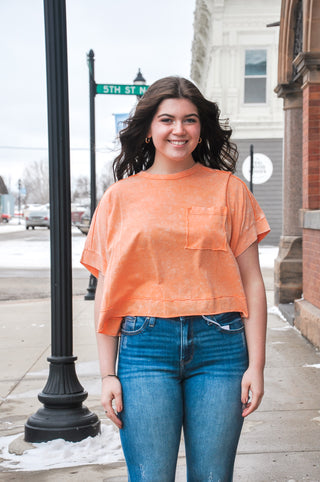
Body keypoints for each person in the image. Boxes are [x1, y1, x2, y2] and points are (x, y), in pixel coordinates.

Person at [81, 76, 270, 482]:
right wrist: (107, 373)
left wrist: (257, 365)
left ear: (201, 129)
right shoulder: (119, 198)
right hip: (144, 350)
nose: (178, 130)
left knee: (213, 477)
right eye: (167, 119)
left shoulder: (229, 190)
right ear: (149, 128)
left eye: (190, 120)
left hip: (220, 349)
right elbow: (108, 291)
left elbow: (252, 281)